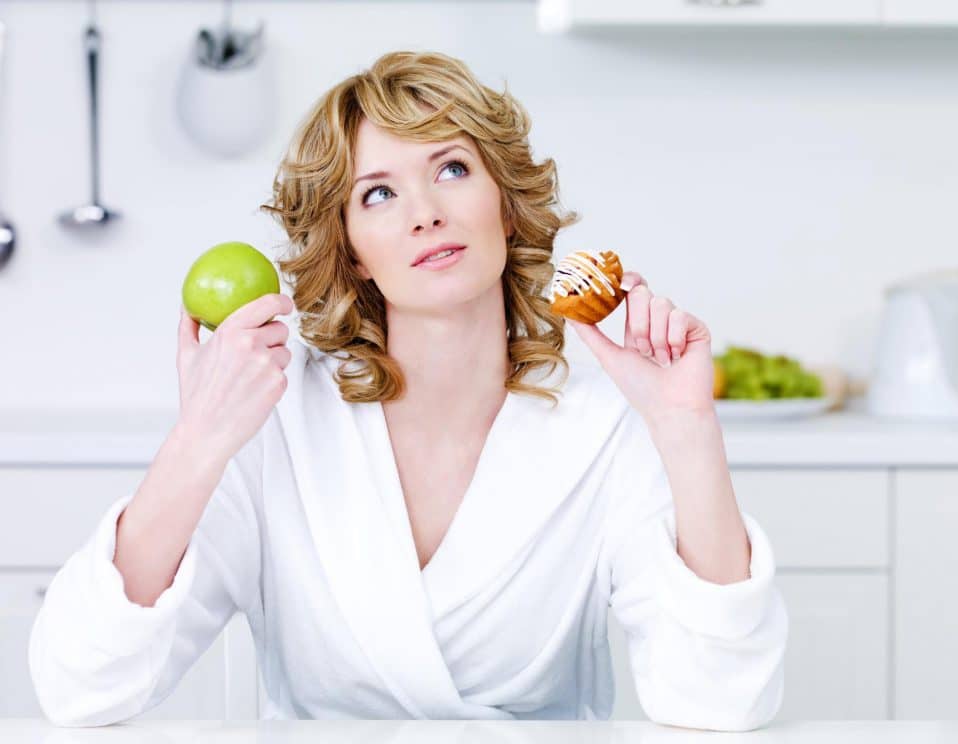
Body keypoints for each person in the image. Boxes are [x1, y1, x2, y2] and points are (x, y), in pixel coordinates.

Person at [28, 50, 787, 729]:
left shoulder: (605, 428)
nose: (426, 213)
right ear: (352, 252)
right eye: (378, 195)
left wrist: (686, 431)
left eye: (452, 169)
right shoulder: (275, 419)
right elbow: (82, 686)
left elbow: (717, 703)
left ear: (505, 202)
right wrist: (197, 440)